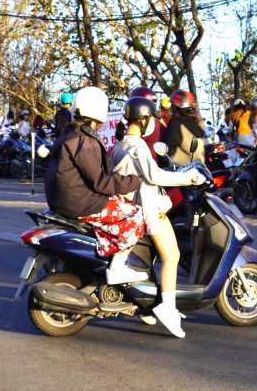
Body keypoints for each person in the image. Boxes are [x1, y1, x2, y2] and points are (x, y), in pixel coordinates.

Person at [110, 96, 207, 338]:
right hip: (147, 209)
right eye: (151, 118)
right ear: (143, 119)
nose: (153, 122)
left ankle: (154, 303)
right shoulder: (136, 147)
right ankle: (168, 306)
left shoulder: (121, 145)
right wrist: (190, 178)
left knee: (161, 257)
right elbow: (154, 176)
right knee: (172, 256)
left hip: (135, 205)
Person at [44, 86, 146, 288]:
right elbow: (101, 181)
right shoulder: (84, 140)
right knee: (134, 214)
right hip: (79, 202)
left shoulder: (70, 134)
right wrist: (135, 180)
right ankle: (117, 268)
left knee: (118, 204)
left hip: (64, 198)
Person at [161, 90, 207, 166]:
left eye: (172, 106)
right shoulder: (196, 124)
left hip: (181, 173)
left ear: (176, 107)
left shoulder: (176, 124)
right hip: (199, 170)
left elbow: (167, 150)